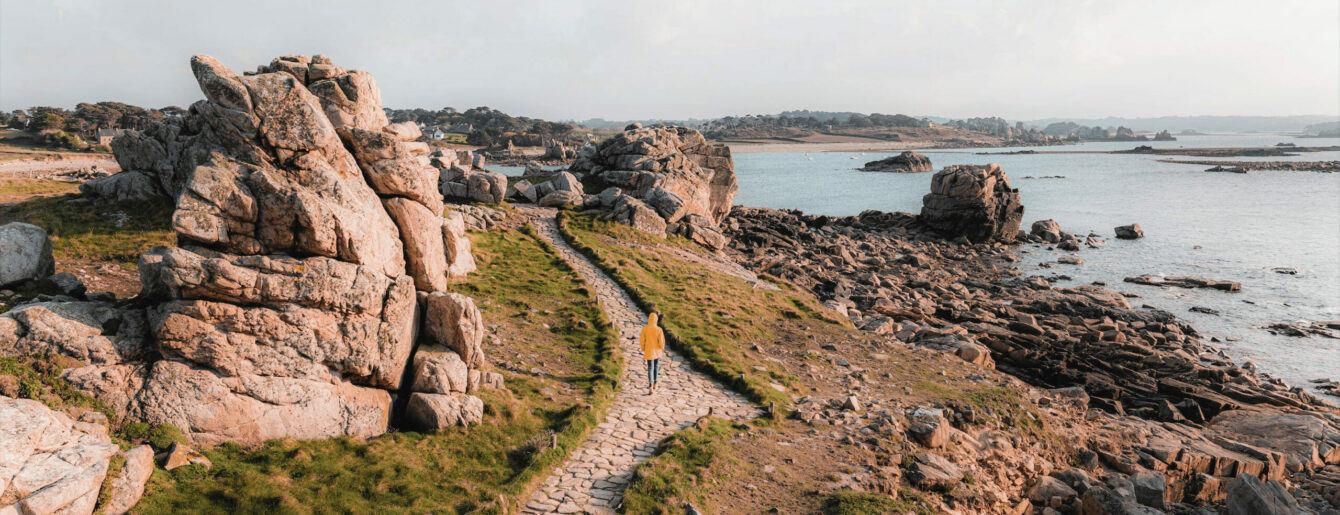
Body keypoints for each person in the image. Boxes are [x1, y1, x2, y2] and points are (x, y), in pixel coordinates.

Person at [639, 312, 665, 395]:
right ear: (656, 320)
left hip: (649, 350)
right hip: (657, 351)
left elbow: (642, 340)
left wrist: (643, 348)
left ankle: (650, 386)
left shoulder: (645, 329)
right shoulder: (659, 329)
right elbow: (661, 341)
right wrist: (661, 347)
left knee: (650, 368)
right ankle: (655, 384)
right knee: (656, 366)